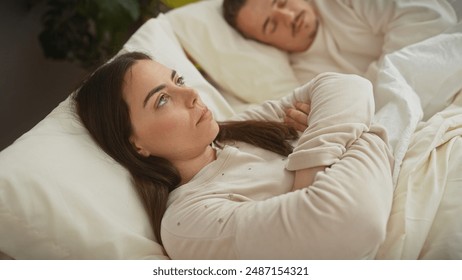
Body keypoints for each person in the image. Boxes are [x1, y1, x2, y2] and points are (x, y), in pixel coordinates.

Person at [75, 51, 394, 259]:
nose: (190, 93)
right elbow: (355, 222)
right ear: (135, 145)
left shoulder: (233, 133)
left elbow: (344, 85)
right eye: (162, 100)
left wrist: (313, 169)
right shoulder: (188, 221)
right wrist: (365, 133)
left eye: (179, 80)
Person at [223, 0, 457, 83]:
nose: (288, 17)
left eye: (282, 1)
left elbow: (426, 20)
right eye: (271, 25)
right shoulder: (305, 77)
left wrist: (373, 81)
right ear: (266, 44)